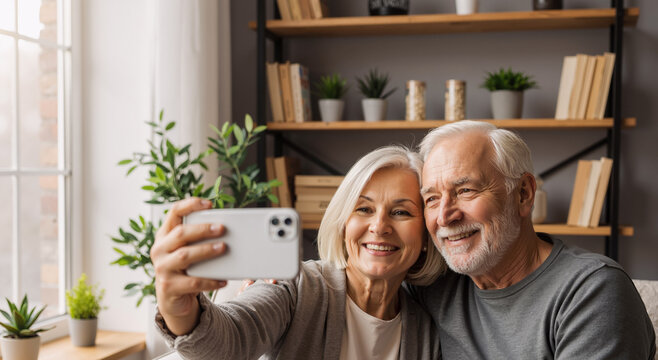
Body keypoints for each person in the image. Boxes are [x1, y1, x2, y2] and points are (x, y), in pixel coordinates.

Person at [151, 146, 445, 359]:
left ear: (425, 234)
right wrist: (181, 311)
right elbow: (229, 341)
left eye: (401, 212)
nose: (379, 226)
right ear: (343, 224)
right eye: (364, 209)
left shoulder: (425, 327)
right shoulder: (296, 286)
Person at [406, 120, 655, 359]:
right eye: (432, 199)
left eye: (465, 190)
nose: (444, 217)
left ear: (523, 194)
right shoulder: (431, 285)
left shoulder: (592, 290)